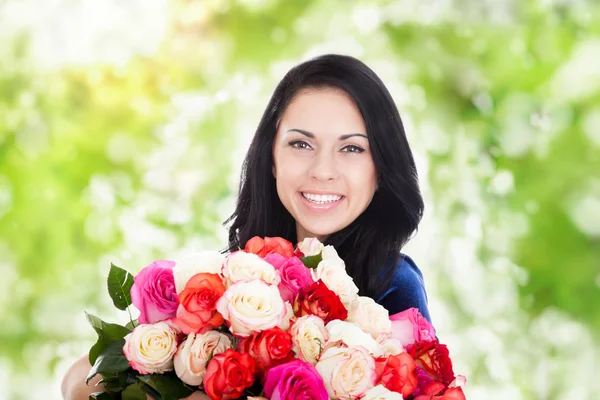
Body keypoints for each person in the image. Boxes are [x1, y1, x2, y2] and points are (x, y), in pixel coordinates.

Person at [61, 54, 430, 399]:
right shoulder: (234, 280)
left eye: (351, 149)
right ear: (271, 158)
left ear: (380, 169)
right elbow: (77, 384)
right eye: (301, 144)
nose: (322, 170)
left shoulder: (392, 281)